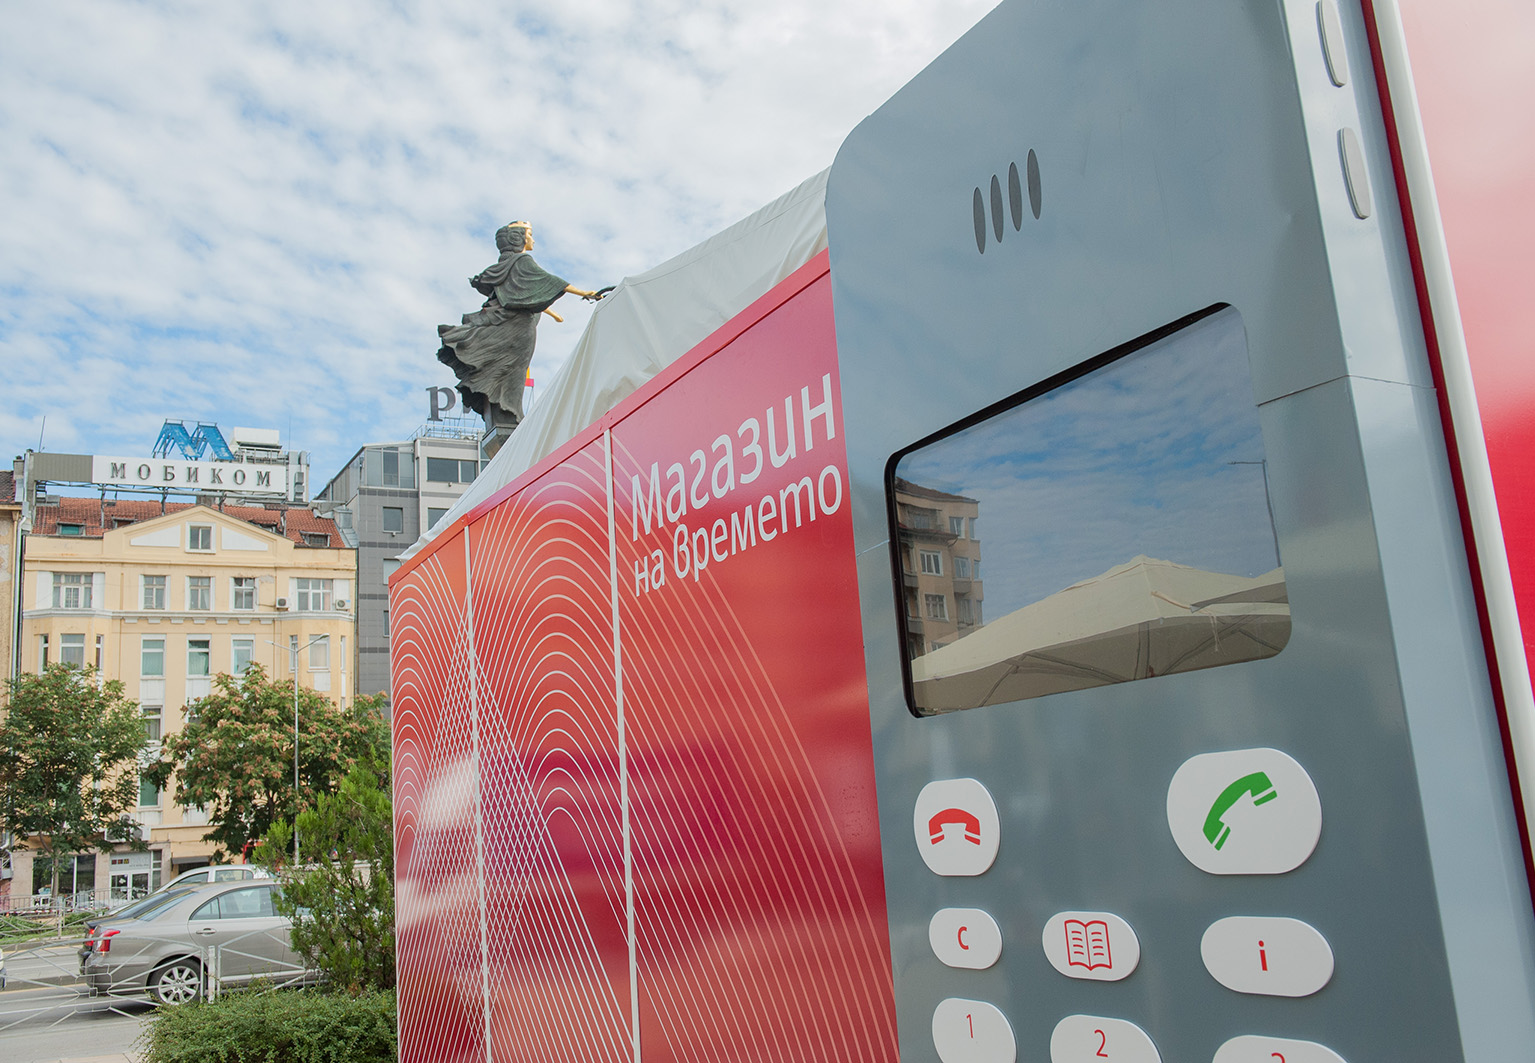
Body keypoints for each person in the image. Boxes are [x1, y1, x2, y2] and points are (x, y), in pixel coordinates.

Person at [436, 222, 602, 429]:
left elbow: (521, 296)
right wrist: (584, 293)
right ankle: (510, 411)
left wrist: (552, 313)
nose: (532, 240)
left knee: (505, 369)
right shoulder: (522, 260)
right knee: (514, 368)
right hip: (518, 329)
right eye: (529, 234)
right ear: (518, 238)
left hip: (506, 324)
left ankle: (506, 410)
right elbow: (549, 281)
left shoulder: (506, 266)